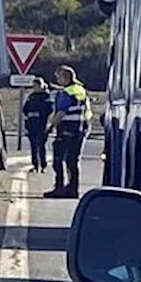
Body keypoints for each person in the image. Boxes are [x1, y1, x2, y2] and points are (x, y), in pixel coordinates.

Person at [45, 65, 91, 198]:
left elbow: (60, 113)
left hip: (67, 129)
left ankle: (59, 187)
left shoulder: (66, 93)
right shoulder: (80, 90)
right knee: (73, 160)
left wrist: (50, 128)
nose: (58, 80)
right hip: (80, 128)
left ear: (64, 77)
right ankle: (72, 188)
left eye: (58, 77)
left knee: (58, 159)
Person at [21, 78, 53, 172]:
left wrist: (41, 116)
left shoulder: (46, 96)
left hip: (42, 123)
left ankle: (43, 165)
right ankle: (35, 165)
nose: (34, 87)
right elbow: (25, 109)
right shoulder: (31, 97)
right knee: (33, 146)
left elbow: (49, 109)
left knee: (41, 144)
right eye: (33, 86)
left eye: (36, 85)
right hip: (32, 124)